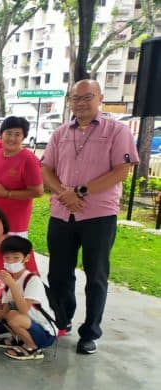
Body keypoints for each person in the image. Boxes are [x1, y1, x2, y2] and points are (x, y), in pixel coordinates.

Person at [41, 79, 139, 355]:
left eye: (87, 97)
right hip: (62, 213)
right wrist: (64, 193)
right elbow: (46, 169)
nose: (81, 103)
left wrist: (80, 192)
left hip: (98, 215)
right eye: (76, 98)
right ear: (70, 101)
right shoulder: (60, 133)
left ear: (100, 98)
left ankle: (90, 332)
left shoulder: (116, 130)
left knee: (96, 275)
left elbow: (121, 171)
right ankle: (62, 319)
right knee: (59, 272)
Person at [0, 236, 58, 360]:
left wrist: (12, 285)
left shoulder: (32, 280)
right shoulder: (9, 281)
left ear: (26, 258)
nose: (11, 262)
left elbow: (24, 310)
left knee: (14, 317)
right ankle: (18, 339)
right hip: (28, 325)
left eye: (16, 258)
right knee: (6, 311)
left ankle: (32, 347)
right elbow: (4, 311)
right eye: (7, 258)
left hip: (45, 334)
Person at [0, 116, 43, 237]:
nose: (12, 138)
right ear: (1, 134)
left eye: (17, 134)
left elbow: (38, 191)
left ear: (24, 137)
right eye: (9, 133)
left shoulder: (28, 159)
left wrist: (7, 193)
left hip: (14, 225)